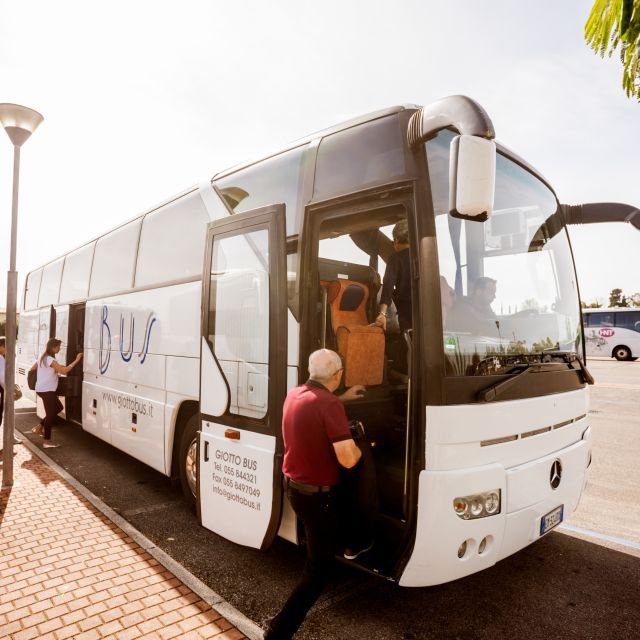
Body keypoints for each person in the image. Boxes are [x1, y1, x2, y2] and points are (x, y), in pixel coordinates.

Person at [264, 349, 368, 640]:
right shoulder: (328, 405)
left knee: (331, 533)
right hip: (317, 498)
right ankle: (278, 631)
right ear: (338, 375)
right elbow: (348, 459)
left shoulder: (295, 394)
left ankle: (350, 543)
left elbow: (318, 404)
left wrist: (341, 399)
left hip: (297, 491)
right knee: (318, 572)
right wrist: (364, 447)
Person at [375, 220, 412, 379]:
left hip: (406, 310)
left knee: (406, 340)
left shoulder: (395, 258)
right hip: (427, 310)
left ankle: (401, 373)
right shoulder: (424, 256)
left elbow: (388, 287)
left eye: (393, 242)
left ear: (397, 240)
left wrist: (382, 314)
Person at [29, 338, 82, 448]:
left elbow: (32, 369)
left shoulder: (43, 358)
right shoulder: (49, 359)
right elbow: (64, 371)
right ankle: (47, 441)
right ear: (53, 347)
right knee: (50, 414)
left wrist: (49, 373)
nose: (59, 348)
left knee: (58, 408)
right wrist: (77, 360)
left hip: (42, 389)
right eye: (58, 347)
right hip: (47, 390)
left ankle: (40, 426)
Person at [0, 336, 22, 450]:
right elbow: (3, 378)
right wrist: (11, 391)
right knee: (6, 415)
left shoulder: (4, 357)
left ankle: (11, 437)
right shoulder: (1, 359)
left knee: (9, 414)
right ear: (2, 347)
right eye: (7, 346)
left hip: (4, 390)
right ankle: (9, 439)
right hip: (4, 390)